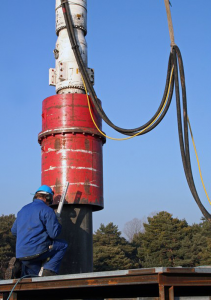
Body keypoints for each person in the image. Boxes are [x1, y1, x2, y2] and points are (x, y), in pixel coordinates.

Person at [9, 185, 68, 278]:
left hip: (21, 253)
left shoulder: (22, 210)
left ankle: (17, 269)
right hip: (37, 251)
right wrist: (58, 223)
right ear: (48, 197)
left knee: (32, 275)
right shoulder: (47, 210)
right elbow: (54, 234)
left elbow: (14, 231)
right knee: (63, 245)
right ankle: (49, 270)